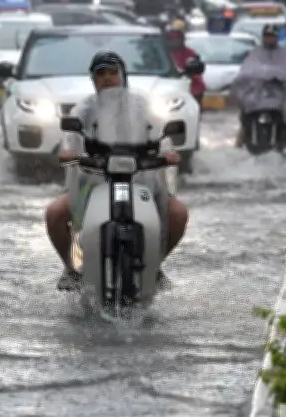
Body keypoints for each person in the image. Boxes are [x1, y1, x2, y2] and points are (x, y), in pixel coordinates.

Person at [45, 51, 189, 291]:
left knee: (178, 214)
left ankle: (155, 266)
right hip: (92, 181)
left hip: (141, 180)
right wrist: (68, 152)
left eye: (113, 73)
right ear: (93, 79)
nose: (108, 79)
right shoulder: (85, 107)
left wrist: (167, 153)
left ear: (123, 75)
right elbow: (70, 137)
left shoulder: (142, 104)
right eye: (101, 74)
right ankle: (71, 269)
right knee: (54, 214)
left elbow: (160, 134)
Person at [232, 24, 286, 155]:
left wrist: (282, 78)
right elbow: (245, 72)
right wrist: (258, 77)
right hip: (257, 96)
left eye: (272, 37)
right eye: (267, 36)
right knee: (244, 122)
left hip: (278, 97)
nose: (269, 39)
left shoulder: (285, 55)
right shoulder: (254, 54)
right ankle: (235, 150)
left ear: (277, 38)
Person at [164, 23, 206, 106]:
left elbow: (193, 63)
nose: (174, 41)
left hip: (190, 86)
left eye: (177, 38)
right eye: (171, 39)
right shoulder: (161, 53)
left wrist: (190, 67)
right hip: (166, 86)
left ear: (182, 39)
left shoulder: (189, 53)